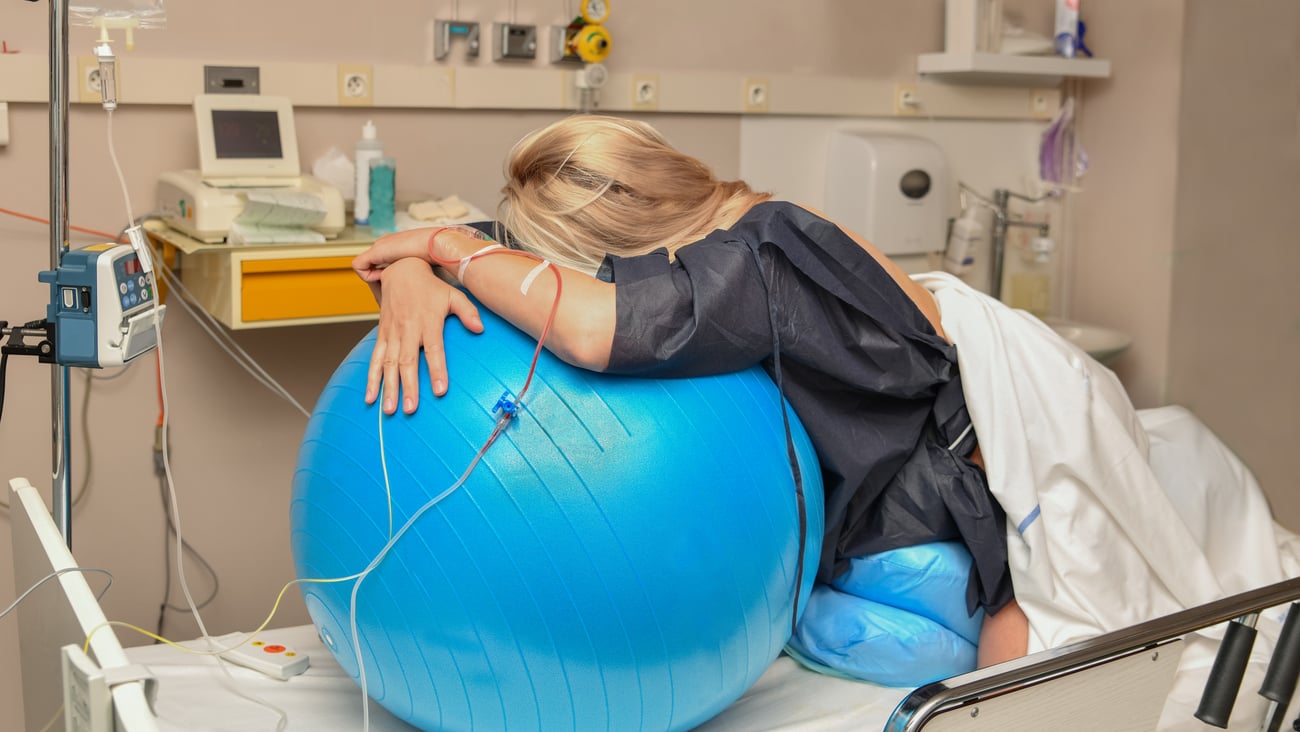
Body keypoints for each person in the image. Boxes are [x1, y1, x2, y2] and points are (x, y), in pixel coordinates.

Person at [351, 114, 1030, 668]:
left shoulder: (766, 260)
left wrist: (442, 246)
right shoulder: (761, 228)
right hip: (879, 519)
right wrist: (412, 263)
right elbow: (522, 261)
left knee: (818, 633)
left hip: (944, 560)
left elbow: (592, 327)